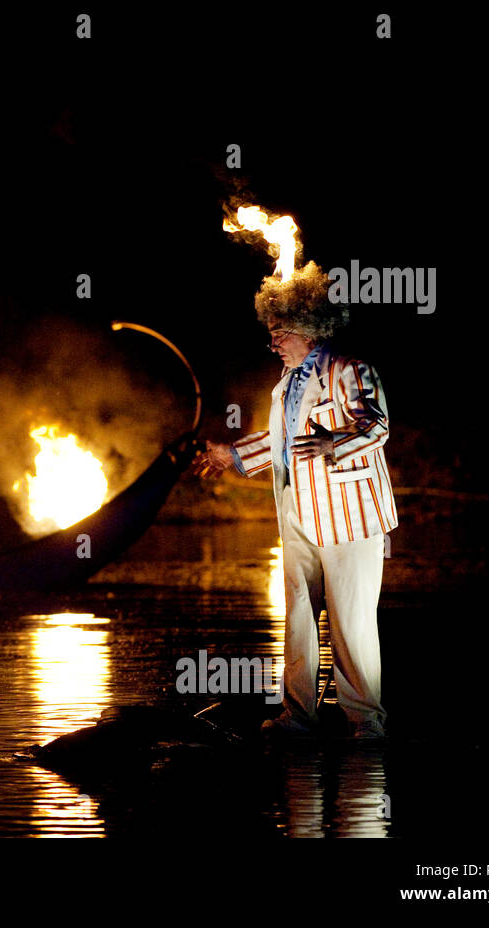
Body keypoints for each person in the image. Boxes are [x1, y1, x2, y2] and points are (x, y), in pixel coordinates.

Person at [194, 272, 396, 740]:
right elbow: (284, 442)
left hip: (349, 515)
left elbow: (377, 425)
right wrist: (233, 455)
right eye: (270, 333)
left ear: (309, 329)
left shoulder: (349, 368)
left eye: (279, 334)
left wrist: (336, 444)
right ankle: (299, 717)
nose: (273, 344)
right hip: (296, 512)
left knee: (352, 620)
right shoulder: (286, 383)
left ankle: (365, 723)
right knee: (299, 613)